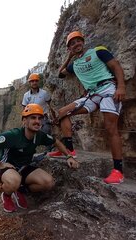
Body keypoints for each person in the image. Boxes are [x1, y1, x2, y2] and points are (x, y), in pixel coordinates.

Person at [54, 30, 126, 184]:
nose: (76, 44)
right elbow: (60, 74)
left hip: (107, 89)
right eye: (72, 44)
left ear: (83, 41)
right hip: (92, 95)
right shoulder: (75, 64)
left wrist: (121, 87)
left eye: (78, 41)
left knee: (110, 127)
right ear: (69, 48)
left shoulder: (98, 51)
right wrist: (69, 57)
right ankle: (70, 150)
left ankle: (118, 171)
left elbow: (116, 66)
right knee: (62, 113)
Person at [0, 103, 79, 213]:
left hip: (24, 167)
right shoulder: (13, 135)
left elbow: (56, 141)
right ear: (24, 121)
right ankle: (7, 195)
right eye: (33, 118)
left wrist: (69, 156)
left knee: (49, 183)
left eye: (39, 118)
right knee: (14, 181)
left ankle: (21, 190)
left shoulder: (39, 135)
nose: (37, 121)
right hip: (8, 168)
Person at [21, 73, 62, 156]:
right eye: (32, 81)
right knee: (28, 135)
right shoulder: (26, 95)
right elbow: (24, 108)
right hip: (31, 118)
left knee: (46, 133)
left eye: (36, 81)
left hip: (43, 117)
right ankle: (28, 153)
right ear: (30, 83)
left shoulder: (44, 93)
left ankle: (49, 151)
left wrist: (54, 117)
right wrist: (24, 120)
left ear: (38, 82)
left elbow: (50, 105)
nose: (34, 83)